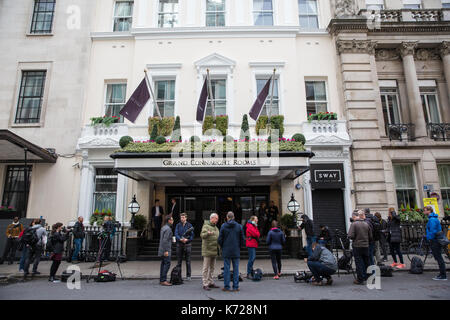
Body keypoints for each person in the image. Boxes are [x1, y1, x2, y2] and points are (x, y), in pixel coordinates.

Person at [218, 212, 245, 292]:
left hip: (226, 250)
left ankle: (227, 287)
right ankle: (236, 287)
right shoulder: (239, 226)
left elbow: (220, 239)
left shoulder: (223, 226)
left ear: (227, 217)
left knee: (226, 269)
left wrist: (223, 246)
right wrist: (239, 247)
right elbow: (242, 239)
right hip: (236, 250)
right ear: (233, 217)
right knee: (236, 269)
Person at [348, 210, 372, 285]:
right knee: (367, 262)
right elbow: (370, 236)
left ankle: (360, 279)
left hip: (357, 246)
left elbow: (350, 235)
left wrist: (354, 238)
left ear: (354, 217)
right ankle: (369, 277)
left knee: (359, 263)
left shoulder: (354, 224)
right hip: (366, 246)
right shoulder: (366, 224)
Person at [424, 206, 447, 280]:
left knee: (439, 257)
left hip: (435, 240)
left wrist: (429, 238)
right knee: (438, 257)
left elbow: (433, 231)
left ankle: (443, 275)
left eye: (425, 210)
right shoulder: (432, 218)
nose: (424, 212)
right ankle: (442, 274)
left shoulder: (432, 219)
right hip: (435, 240)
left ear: (429, 211)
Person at [200, 213, 220, 291]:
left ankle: (210, 282)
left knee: (212, 268)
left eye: (217, 219)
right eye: (216, 218)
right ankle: (205, 283)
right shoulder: (206, 226)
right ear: (212, 218)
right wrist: (207, 233)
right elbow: (202, 235)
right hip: (207, 250)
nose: (217, 220)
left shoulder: (216, 227)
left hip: (214, 251)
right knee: (205, 268)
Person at [175, 213, 194, 281]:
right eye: (181, 217)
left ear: (186, 218)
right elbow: (176, 233)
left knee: (188, 261)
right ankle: (178, 275)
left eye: (183, 217)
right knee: (179, 261)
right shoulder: (178, 225)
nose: (182, 219)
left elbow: (192, 235)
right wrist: (180, 239)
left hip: (187, 244)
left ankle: (188, 276)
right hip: (179, 244)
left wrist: (187, 240)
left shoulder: (189, 225)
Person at [159, 216, 174, 286]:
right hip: (166, 250)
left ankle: (161, 279)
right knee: (167, 264)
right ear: (169, 221)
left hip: (162, 249)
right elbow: (165, 240)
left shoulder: (163, 227)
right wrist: (166, 251)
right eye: (172, 220)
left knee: (163, 264)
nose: (173, 221)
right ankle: (163, 280)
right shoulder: (168, 229)